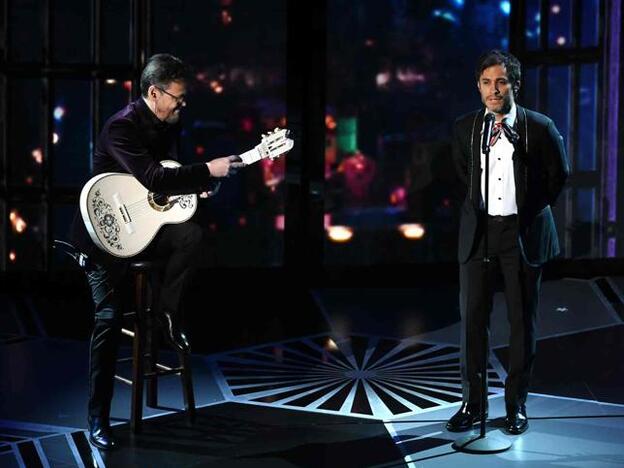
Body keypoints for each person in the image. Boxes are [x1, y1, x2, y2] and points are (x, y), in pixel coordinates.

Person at [70, 53, 245, 449]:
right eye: (178, 98)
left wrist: (200, 185)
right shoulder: (121, 128)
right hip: (106, 235)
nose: (183, 105)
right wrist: (207, 170)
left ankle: (164, 313)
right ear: (154, 92)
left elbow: (167, 180)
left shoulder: (168, 124)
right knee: (110, 321)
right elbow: (152, 176)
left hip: (144, 231)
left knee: (191, 236)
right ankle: (98, 416)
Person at [447, 50, 569, 435]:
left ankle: (516, 404)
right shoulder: (466, 128)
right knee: (472, 322)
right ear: (478, 87)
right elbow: (464, 175)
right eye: (486, 83)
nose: (493, 90)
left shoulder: (540, 127)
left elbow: (558, 176)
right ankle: (472, 403)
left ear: (515, 84)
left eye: (500, 82)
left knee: (521, 323)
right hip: (480, 233)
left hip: (522, 231)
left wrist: (526, 210)